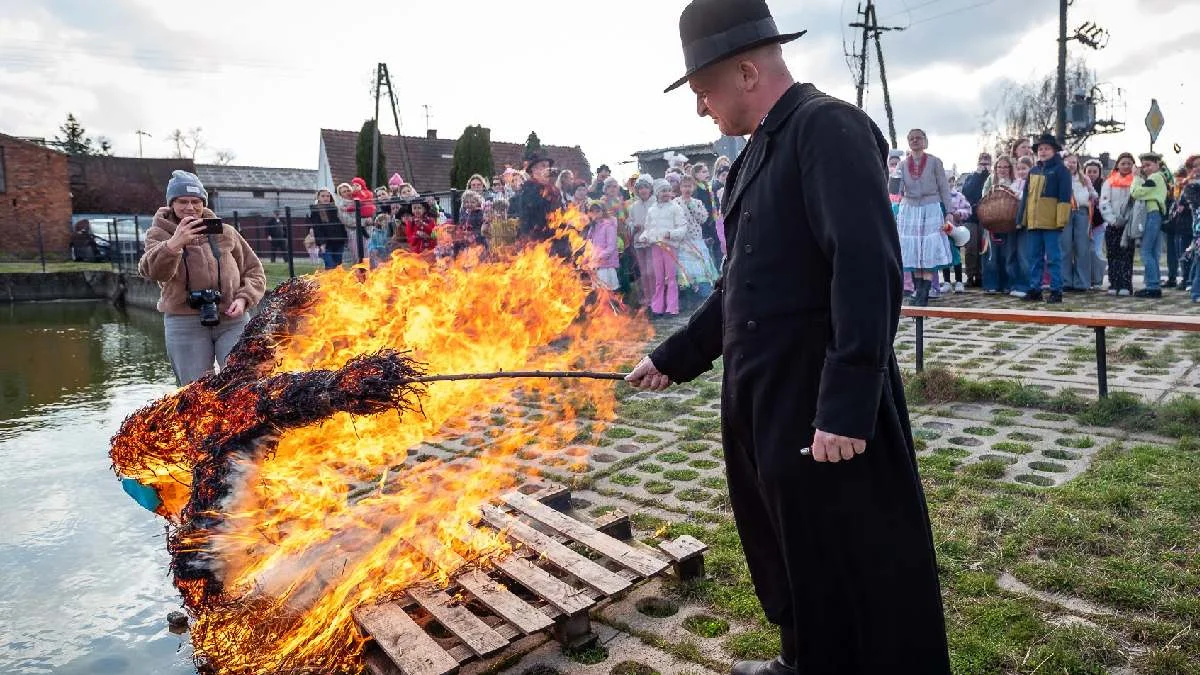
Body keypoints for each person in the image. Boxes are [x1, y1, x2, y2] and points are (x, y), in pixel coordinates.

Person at [626, 1, 949, 672]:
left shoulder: (827, 128)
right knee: (796, 554)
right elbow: (740, 286)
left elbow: (867, 270)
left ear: (746, 71)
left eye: (703, 90)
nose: (700, 109)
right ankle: (804, 657)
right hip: (767, 400)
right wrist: (674, 354)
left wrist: (845, 406)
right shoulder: (753, 157)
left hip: (819, 403)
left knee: (852, 563)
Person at [138, 170, 266, 386]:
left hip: (231, 318)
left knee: (242, 383)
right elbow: (152, 272)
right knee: (195, 390)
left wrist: (244, 298)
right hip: (184, 321)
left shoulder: (224, 231)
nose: (190, 207)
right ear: (171, 203)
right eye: (182, 201)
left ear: (203, 202)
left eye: (196, 201)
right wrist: (174, 244)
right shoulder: (158, 233)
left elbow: (254, 270)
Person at [897, 128, 955, 306]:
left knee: (928, 249)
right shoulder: (902, 164)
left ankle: (924, 293)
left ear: (925, 141)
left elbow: (944, 188)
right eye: (912, 138)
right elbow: (894, 190)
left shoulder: (934, 162)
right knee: (914, 249)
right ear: (908, 142)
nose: (915, 141)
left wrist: (949, 212)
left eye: (918, 138)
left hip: (931, 206)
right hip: (910, 208)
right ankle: (917, 290)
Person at [1015, 134, 1071, 303]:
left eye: (1047, 148)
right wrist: (1021, 218)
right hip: (1034, 222)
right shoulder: (1033, 171)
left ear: (1054, 150)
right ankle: (1035, 289)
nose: (1043, 151)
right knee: (1034, 257)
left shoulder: (1061, 170)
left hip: (1052, 222)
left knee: (1054, 258)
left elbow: (1064, 196)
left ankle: (1056, 290)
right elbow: (1026, 197)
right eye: (1040, 149)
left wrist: (1061, 220)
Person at [639, 178, 687, 316]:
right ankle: (657, 307)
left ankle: (672, 308)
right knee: (659, 278)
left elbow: (682, 227)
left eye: (668, 190)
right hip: (656, 246)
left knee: (671, 277)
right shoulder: (652, 210)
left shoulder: (675, 208)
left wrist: (670, 234)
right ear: (657, 193)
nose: (666, 193)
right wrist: (644, 236)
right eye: (663, 191)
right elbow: (648, 228)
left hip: (669, 246)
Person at [1132, 152, 1169, 298]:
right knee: (1153, 252)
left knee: (1145, 252)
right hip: (1156, 215)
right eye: (1144, 166)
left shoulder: (1155, 177)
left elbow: (1137, 192)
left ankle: (1153, 286)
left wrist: (1135, 177)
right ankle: (1153, 284)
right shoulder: (1159, 178)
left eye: (1149, 165)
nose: (1146, 168)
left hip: (1152, 214)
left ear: (1157, 165)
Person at [1101, 152, 1137, 296]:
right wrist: (1112, 219)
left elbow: (1137, 203)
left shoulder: (1136, 181)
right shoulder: (1109, 182)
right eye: (1123, 163)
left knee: (1127, 255)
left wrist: (1129, 220)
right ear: (1117, 165)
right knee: (1113, 254)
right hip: (1113, 224)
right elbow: (1104, 202)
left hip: (1129, 225)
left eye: (1129, 163)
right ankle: (1113, 283)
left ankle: (1126, 284)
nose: (1126, 166)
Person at [1062, 154, 1098, 292]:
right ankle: (1065, 281)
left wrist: (1093, 196)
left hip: (1082, 212)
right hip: (1065, 211)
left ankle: (1081, 282)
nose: (1071, 165)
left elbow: (1093, 193)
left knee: (1082, 247)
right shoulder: (1060, 177)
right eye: (1068, 162)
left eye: (1074, 162)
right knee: (1065, 247)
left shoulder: (1084, 179)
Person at [960, 152, 991, 287]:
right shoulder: (971, 177)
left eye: (987, 163)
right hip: (972, 217)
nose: (984, 165)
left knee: (985, 247)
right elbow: (967, 192)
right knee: (971, 247)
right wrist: (978, 175)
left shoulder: (992, 177)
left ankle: (983, 275)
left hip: (987, 217)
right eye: (982, 163)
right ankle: (971, 275)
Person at [309, 188, 345, 270]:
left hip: (338, 241)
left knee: (338, 267)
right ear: (318, 198)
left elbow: (340, 225)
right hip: (326, 243)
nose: (326, 198)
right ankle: (329, 282)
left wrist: (343, 239)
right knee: (330, 266)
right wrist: (322, 243)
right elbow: (317, 228)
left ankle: (336, 282)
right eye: (323, 196)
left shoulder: (335, 209)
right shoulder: (316, 210)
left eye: (328, 196)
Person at [1084, 159, 1107, 288]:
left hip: (1098, 224)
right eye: (1089, 172)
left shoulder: (1103, 186)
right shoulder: (1082, 184)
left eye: (1094, 172)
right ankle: (1088, 277)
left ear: (1099, 173)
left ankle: (1097, 278)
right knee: (1085, 252)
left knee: (1097, 251)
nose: (1092, 174)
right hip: (1084, 223)